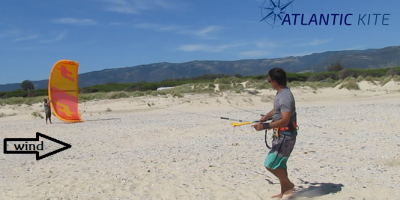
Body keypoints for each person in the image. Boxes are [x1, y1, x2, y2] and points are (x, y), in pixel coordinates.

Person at [251, 68, 297, 199]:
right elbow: (277, 110)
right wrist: (265, 117)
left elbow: (285, 119)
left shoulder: (285, 97)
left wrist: (265, 126)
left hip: (286, 136)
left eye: (270, 80)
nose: (269, 82)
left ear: (275, 81)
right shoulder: (281, 93)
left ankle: (288, 185)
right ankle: (285, 192)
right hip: (280, 135)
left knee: (270, 164)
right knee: (280, 164)